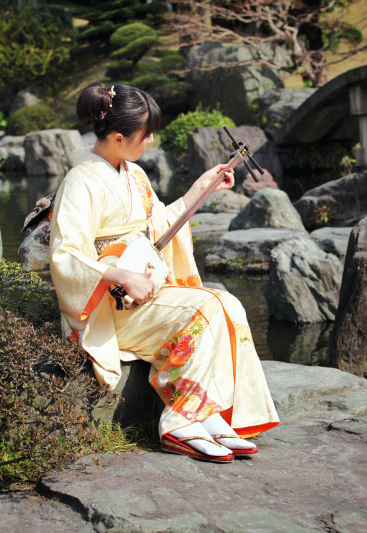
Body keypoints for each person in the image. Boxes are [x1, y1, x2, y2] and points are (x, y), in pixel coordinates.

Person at [49, 83, 279, 463]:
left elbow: (161, 227)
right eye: (146, 134)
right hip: (108, 305)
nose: (151, 141)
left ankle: (210, 411)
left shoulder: (134, 174)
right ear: (120, 137)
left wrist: (201, 189)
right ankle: (181, 422)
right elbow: (66, 253)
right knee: (203, 310)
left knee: (227, 303)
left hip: (140, 291)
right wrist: (120, 276)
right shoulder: (80, 181)